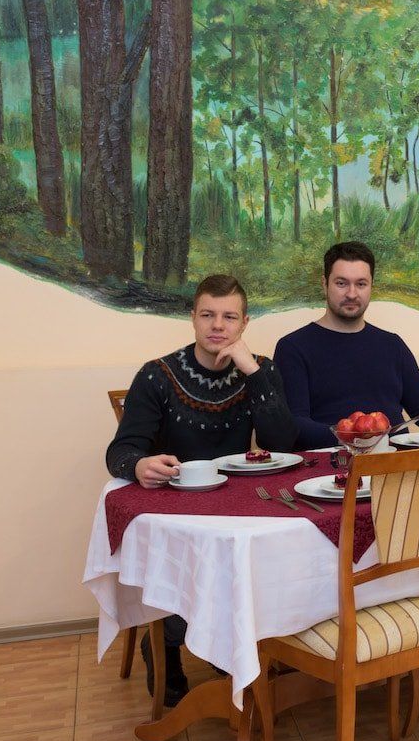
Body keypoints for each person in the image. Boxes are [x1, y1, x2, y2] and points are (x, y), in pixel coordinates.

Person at [105, 274, 298, 705]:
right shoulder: (157, 375)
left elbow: (284, 443)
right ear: (192, 317)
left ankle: (232, 644)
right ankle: (165, 642)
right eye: (208, 315)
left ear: (244, 323)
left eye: (229, 317)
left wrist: (252, 373)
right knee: (200, 560)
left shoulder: (261, 369)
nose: (218, 325)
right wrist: (139, 464)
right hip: (176, 507)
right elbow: (120, 450)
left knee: (265, 553)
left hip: (239, 504)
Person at [275, 241, 419, 450]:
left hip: (395, 462)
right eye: (341, 283)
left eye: (361, 284)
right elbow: (295, 425)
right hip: (332, 464)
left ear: (371, 286)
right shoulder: (292, 348)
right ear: (325, 284)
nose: (352, 294)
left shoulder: (392, 345)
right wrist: (356, 437)